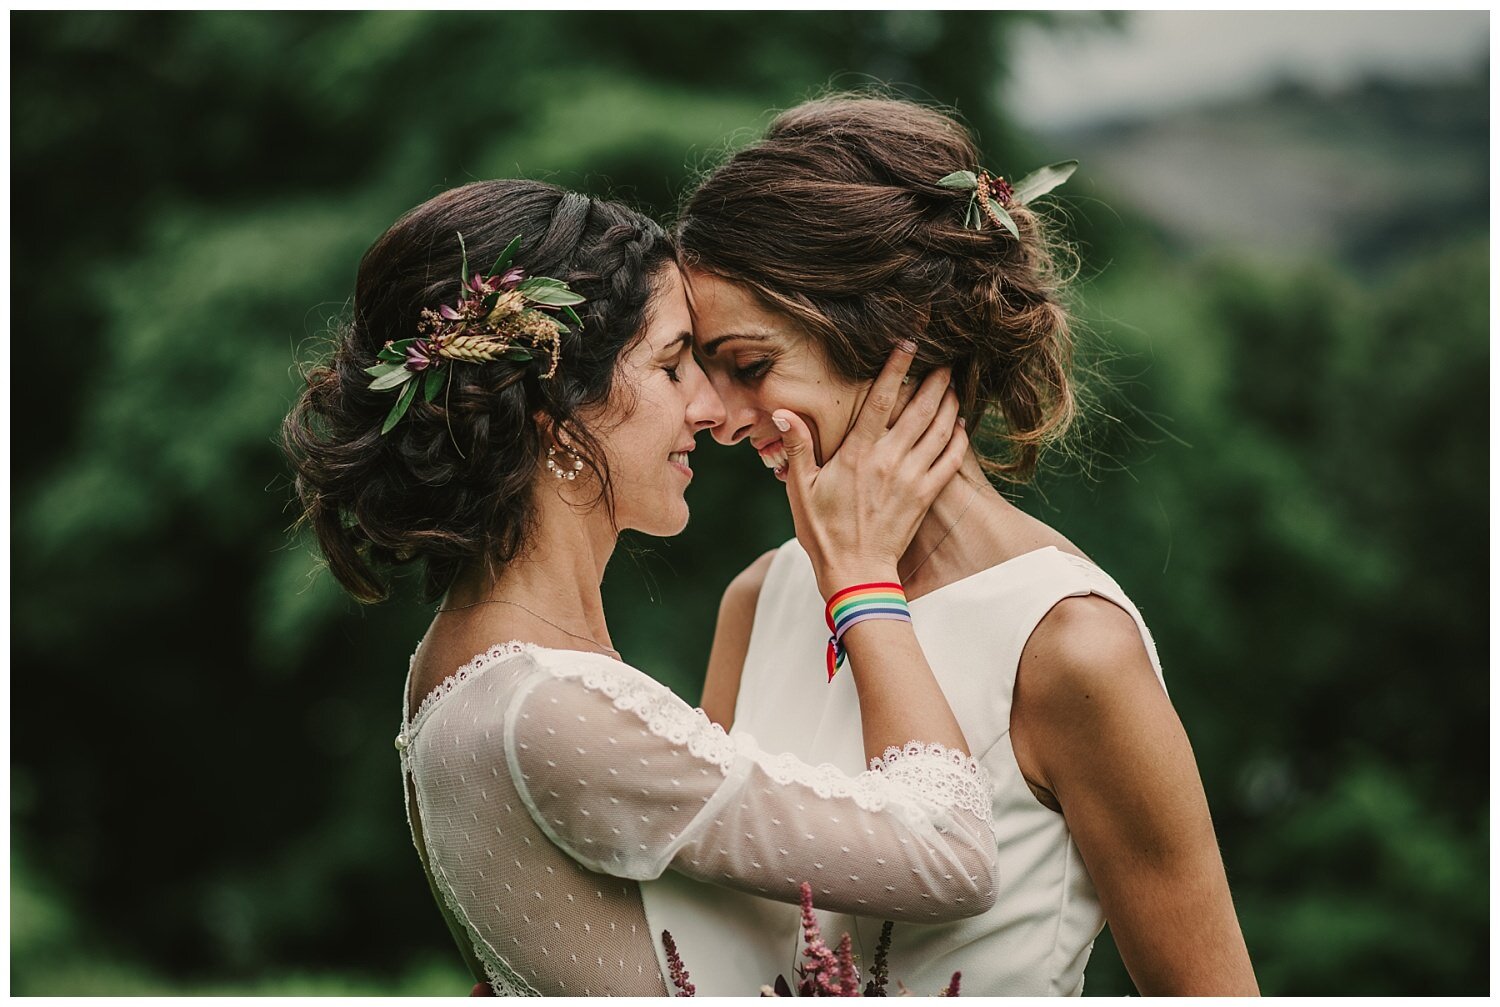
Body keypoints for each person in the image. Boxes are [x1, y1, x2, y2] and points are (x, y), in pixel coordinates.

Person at [282, 179, 1004, 996]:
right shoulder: (547, 708)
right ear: (556, 409)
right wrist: (863, 577)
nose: (708, 406)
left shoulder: (460, 671)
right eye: (671, 365)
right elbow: (951, 852)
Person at [642, 96, 1260, 995]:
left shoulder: (1068, 646)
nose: (720, 417)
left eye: (750, 365)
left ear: (896, 331)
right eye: (701, 369)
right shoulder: (760, 597)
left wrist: (857, 583)